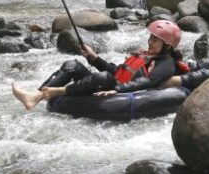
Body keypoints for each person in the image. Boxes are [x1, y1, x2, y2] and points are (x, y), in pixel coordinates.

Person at [11, 20, 188, 110]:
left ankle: (56, 92)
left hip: (124, 93)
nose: (150, 41)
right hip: (110, 83)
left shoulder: (167, 64)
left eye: (155, 40)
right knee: (72, 64)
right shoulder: (146, 55)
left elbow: (146, 83)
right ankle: (35, 95)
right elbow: (119, 72)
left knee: (104, 78)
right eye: (150, 37)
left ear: (168, 45)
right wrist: (94, 58)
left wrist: (117, 91)